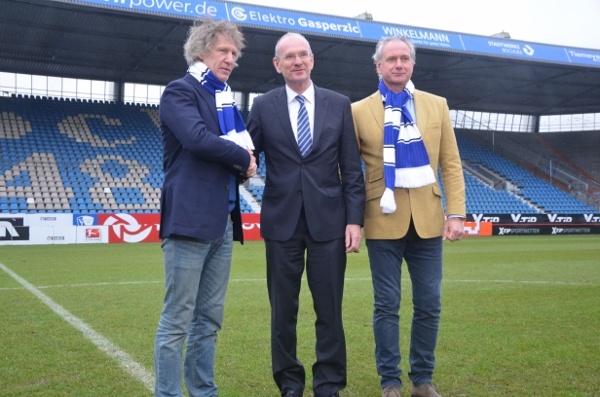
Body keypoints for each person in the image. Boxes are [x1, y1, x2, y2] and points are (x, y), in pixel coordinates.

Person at [246, 32, 365, 397]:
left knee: (329, 309)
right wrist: (240, 163)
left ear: (312, 60)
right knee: (283, 312)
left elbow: (352, 169)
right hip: (282, 222)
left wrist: (354, 220)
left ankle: (328, 384)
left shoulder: (339, 103)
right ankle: (290, 382)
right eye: (289, 57)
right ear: (277, 64)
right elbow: (247, 154)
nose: (297, 61)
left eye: (303, 55)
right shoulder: (263, 105)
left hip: (329, 222)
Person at [351, 36, 466, 397]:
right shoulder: (358, 110)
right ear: (378, 66)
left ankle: (422, 380)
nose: (398, 64)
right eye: (391, 59)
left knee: (429, 302)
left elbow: (450, 162)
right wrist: (351, 219)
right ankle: (390, 382)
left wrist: (456, 213)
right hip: (382, 218)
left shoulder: (437, 106)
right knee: (387, 304)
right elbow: (349, 172)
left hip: (429, 219)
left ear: (412, 65)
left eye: (404, 58)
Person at [153, 19, 257, 397]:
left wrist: (245, 163)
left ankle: (203, 391)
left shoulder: (225, 100)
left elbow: (233, 152)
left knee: (209, 318)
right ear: (200, 52)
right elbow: (197, 140)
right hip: (189, 220)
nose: (230, 59)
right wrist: (244, 156)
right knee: (178, 319)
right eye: (223, 52)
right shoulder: (179, 92)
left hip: (224, 223)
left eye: (234, 53)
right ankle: (167, 393)